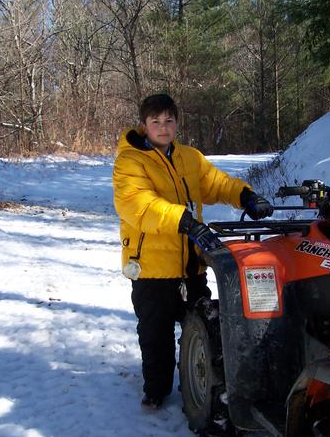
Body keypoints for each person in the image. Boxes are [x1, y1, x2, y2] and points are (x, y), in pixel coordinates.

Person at [112, 93, 273, 410]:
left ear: (176, 123)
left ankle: (201, 386)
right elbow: (137, 205)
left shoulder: (189, 157)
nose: (163, 127)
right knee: (156, 336)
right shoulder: (129, 162)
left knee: (204, 330)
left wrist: (246, 196)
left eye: (169, 120)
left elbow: (216, 183)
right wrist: (182, 219)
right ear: (144, 126)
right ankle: (156, 391)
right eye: (155, 121)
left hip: (191, 265)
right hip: (153, 268)